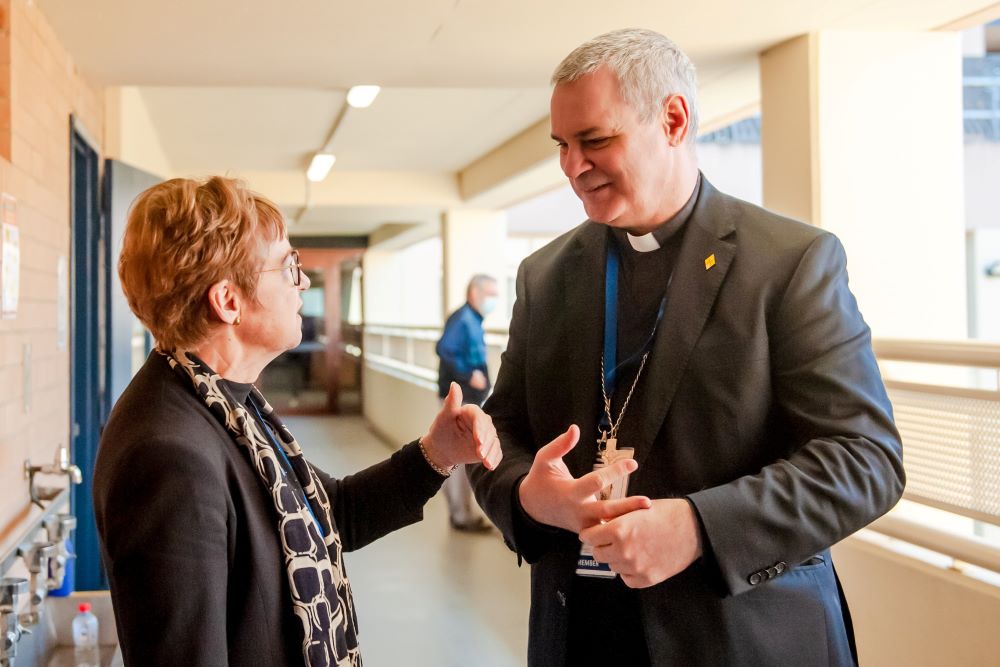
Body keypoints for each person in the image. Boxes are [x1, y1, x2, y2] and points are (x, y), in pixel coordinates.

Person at [469, 28, 904, 667]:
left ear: (673, 120)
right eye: (563, 145)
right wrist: (527, 495)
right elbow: (500, 429)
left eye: (595, 140)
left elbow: (865, 460)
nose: (571, 167)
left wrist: (700, 527)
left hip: (739, 635)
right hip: (582, 633)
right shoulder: (545, 273)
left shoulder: (789, 263)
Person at [93, 176, 502, 667]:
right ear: (228, 301)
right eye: (289, 266)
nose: (302, 283)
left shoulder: (226, 401)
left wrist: (437, 453)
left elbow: (332, 514)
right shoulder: (169, 456)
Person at [436, 274, 499, 531]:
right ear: (474, 292)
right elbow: (444, 348)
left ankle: (460, 512)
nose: (493, 300)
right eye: (490, 294)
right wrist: (468, 375)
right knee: (459, 459)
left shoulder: (472, 319)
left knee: (459, 458)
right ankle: (461, 515)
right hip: (461, 397)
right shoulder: (463, 319)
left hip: (467, 398)